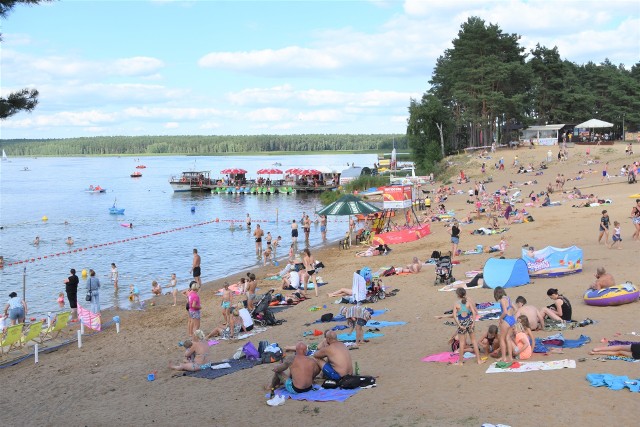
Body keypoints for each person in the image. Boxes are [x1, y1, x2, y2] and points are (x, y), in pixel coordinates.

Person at [452, 288, 484, 365]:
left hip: (462, 323)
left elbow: (454, 316)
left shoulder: (456, 304)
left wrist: (459, 325)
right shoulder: (468, 302)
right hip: (469, 322)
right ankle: (479, 360)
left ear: (458, 295)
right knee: (473, 341)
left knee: (462, 343)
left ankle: (460, 361)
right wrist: (473, 323)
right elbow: (474, 313)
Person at [494, 287, 515, 362]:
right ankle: (510, 357)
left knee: (502, 339)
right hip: (512, 318)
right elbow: (514, 308)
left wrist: (500, 318)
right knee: (508, 338)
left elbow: (505, 312)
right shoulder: (508, 298)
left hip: (506, 319)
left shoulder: (502, 300)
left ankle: (503, 357)